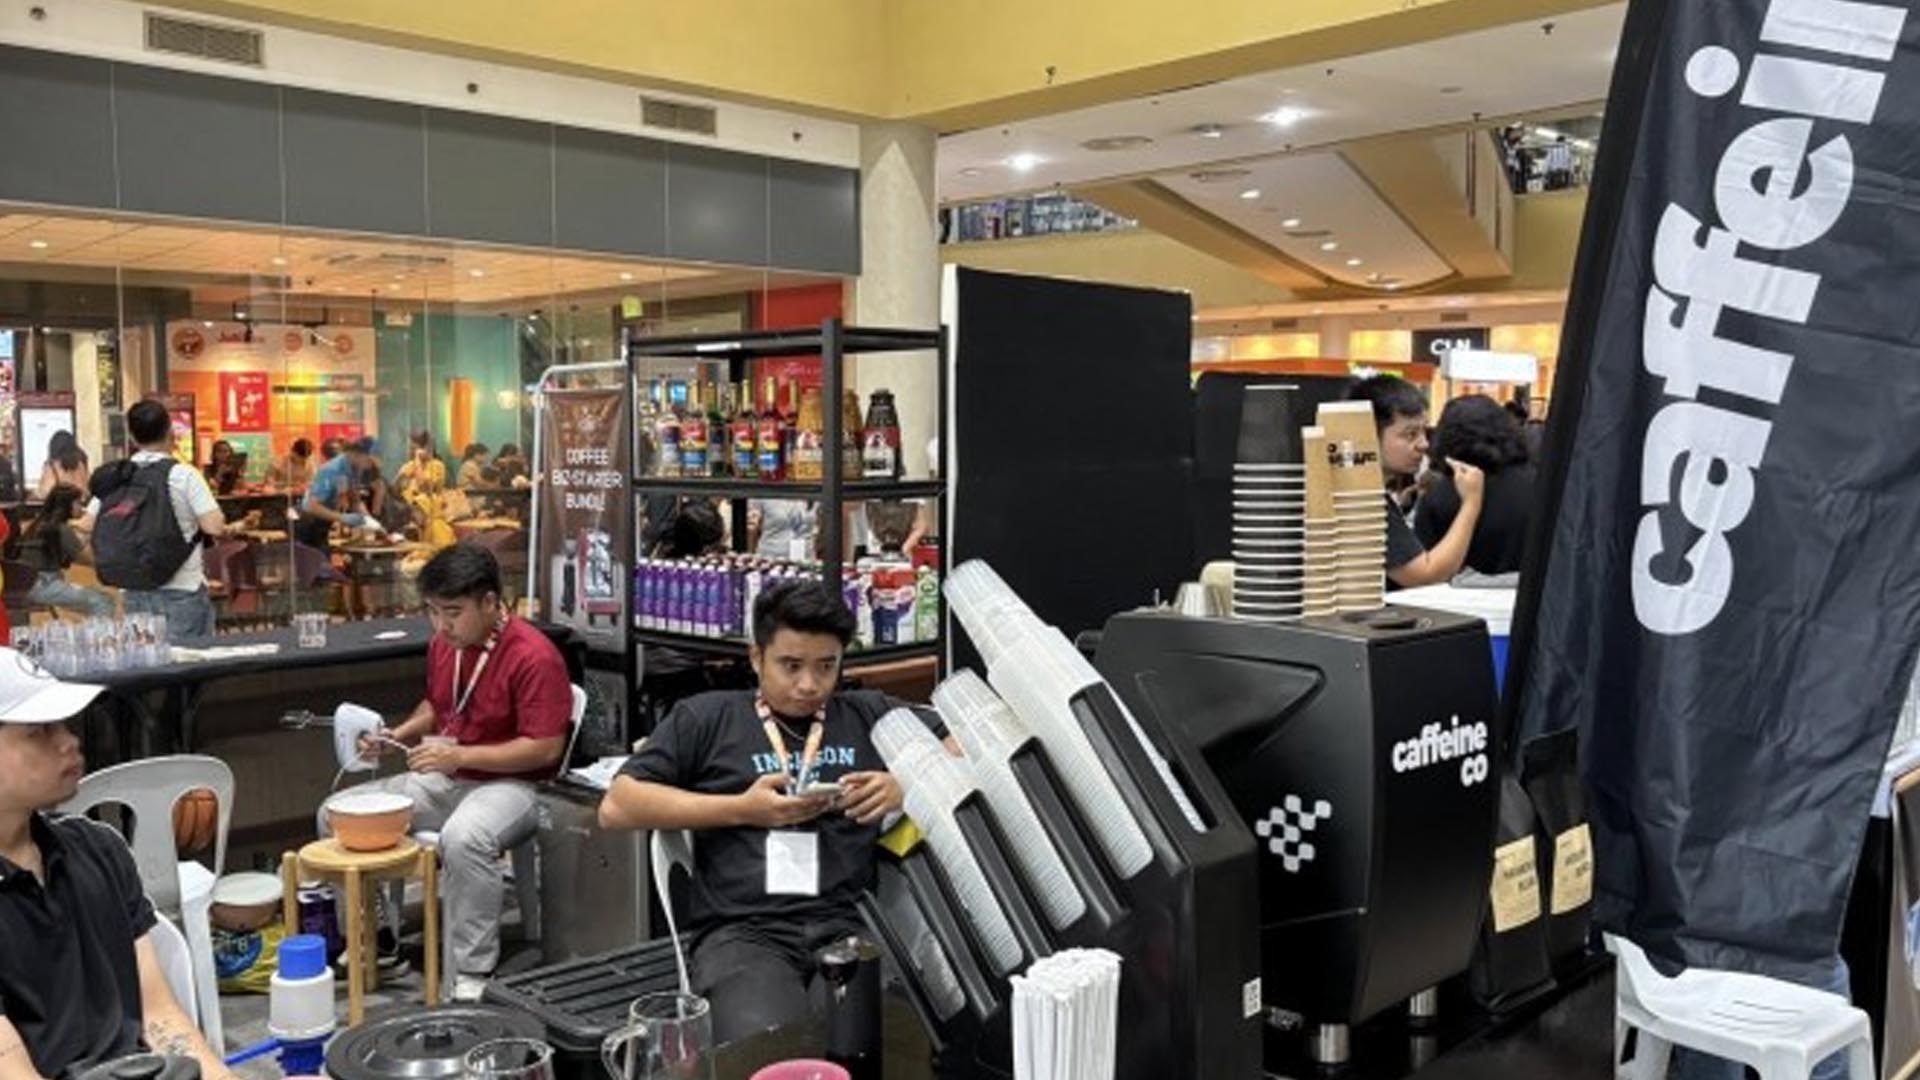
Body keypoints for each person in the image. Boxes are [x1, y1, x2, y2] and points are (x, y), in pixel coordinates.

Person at [599, 580, 940, 1045]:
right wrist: (742, 810)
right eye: (791, 665)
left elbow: (967, 740)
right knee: (769, 1046)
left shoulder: (867, 715)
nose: (809, 684)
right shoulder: (708, 718)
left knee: (871, 1042)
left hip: (848, 922)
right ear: (757, 657)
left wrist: (905, 784)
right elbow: (618, 805)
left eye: (827, 666)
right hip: (743, 932)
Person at [331, 544, 572, 1001]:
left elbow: (544, 747)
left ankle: (472, 972)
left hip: (518, 785)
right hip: (450, 777)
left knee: (465, 837)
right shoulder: (446, 645)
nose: (441, 626)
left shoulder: (533, 656)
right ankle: (377, 940)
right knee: (338, 814)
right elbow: (437, 705)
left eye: (453, 613)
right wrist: (397, 733)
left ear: (490, 602)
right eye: (432, 612)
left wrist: (460, 756)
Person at [0, 650, 238, 1080]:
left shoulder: (99, 851)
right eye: (39, 731)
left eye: (65, 724)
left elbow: (160, 1016)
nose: (69, 741)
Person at [84, 401, 243, 641]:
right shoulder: (184, 475)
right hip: (182, 591)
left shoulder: (118, 476)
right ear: (170, 432)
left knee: (146, 660)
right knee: (188, 660)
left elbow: (86, 525)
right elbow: (214, 526)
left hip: (134, 590)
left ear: (131, 435)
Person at [1345, 376, 1485, 590]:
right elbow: (1426, 575)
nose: (1424, 444)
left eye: (1423, 432)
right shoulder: (1362, 500)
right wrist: (1471, 502)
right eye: (1410, 434)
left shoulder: (1360, 491)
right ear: (1368, 436)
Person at [1414, 395, 1536, 577]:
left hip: (1461, 593)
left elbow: (1426, 568)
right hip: (1535, 591)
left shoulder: (1437, 498)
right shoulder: (1541, 484)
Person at [22, 484, 113, 618]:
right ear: (67, 505)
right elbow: (89, 559)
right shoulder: (61, 529)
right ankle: (96, 632)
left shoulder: (36, 524)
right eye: (78, 503)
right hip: (43, 584)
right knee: (102, 601)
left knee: (95, 598)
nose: (82, 508)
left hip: (27, 583)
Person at [295, 437, 375, 550]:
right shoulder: (331, 470)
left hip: (324, 521)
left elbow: (355, 500)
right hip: (308, 523)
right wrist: (343, 518)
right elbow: (311, 506)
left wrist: (370, 522)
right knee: (316, 557)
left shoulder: (354, 469)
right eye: (368, 460)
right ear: (357, 455)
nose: (369, 465)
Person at [748, 499, 816, 560]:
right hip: (770, 557)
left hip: (804, 558)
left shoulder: (812, 494)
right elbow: (752, 529)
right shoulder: (763, 496)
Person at [34, 432, 88, 502]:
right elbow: (85, 491)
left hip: (59, 506)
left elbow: (45, 492)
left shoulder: (51, 467)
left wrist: (34, 493)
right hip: (77, 506)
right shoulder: (80, 465)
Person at [396, 431, 447, 501]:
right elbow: (397, 487)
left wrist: (418, 460)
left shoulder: (437, 465)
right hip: (406, 504)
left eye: (412, 448)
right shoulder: (409, 465)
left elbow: (424, 488)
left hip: (427, 505)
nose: (409, 451)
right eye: (410, 448)